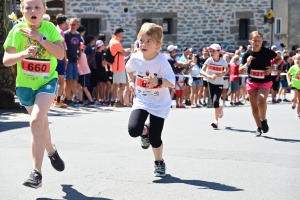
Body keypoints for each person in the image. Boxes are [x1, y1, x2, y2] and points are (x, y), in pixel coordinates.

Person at [3, 0, 65, 188]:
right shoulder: (16, 31)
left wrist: (41, 39)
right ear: (22, 11)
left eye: (37, 7)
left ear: (44, 10)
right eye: (28, 8)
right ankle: (51, 150)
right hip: (25, 86)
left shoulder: (50, 28)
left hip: (47, 82)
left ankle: (36, 174)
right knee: (41, 124)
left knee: (36, 121)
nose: (33, 11)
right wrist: (22, 54)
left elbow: (61, 54)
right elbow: (6, 60)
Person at [126, 23, 175, 177]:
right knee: (134, 130)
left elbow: (171, 82)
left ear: (158, 45)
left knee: (155, 138)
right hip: (141, 100)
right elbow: (129, 70)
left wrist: (158, 82)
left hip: (159, 104)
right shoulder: (135, 58)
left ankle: (159, 162)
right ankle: (144, 131)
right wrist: (129, 82)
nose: (144, 44)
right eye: (142, 40)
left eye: (149, 41)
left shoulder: (162, 62)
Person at [239, 31, 282, 137]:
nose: (257, 43)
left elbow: (279, 59)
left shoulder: (267, 52)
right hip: (252, 82)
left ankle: (263, 120)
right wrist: (247, 63)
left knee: (261, 101)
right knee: (254, 107)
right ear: (250, 41)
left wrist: (273, 67)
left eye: (259, 41)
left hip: (265, 81)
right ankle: (258, 127)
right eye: (255, 40)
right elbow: (240, 70)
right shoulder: (247, 54)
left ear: (262, 41)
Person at [200, 44, 229, 129]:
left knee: (216, 101)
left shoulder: (223, 62)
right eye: (210, 51)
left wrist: (222, 73)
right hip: (210, 82)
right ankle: (220, 107)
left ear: (219, 52)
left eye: (213, 51)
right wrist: (209, 76)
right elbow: (202, 71)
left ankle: (215, 121)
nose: (211, 53)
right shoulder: (209, 60)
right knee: (214, 102)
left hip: (219, 83)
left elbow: (227, 69)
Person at [109, 26, 131, 107]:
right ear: (118, 33)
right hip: (119, 66)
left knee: (115, 84)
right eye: (122, 32)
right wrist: (130, 50)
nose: (123, 34)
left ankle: (113, 100)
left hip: (115, 66)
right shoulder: (116, 43)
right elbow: (124, 53)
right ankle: (117, 101)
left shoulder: (112, 41)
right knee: (123, 84)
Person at [63, 18, 81, 106]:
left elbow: (79, 46)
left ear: (77, 25)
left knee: (74, 80)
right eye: (71, 24)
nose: (73, 26)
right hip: (68, 60)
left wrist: (79, 55)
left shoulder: (78, 35)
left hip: (74, 60)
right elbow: (63, 47)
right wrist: (65, 58)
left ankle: (73, 97)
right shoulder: (66, 34)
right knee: (68, 80)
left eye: (75, 24)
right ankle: (67, 98)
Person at [52, 13, 68, 108]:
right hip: (60, 59)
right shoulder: (61, 32)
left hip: (53, 57)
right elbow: (63, 46)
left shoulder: (53, 29)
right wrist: (65, 58)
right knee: (61, 80)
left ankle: (53, 99)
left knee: (54, 79)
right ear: (63, 22)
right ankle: (57, 100)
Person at [77, 42, 95, 107]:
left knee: (84, 88)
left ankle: (91, 101)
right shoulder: (83, 54)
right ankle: (80, 100)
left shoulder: (81, 55)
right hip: (83, 72)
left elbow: (77, 62)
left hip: (85, 73)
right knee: (78, 86)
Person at [287, 54, 300, 118]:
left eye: (299, 59)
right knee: (293, 98)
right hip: (294, 85)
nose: (298, 60)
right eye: (297, 59)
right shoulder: (293, 67)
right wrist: (289, 82)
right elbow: (288, 74)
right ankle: (294, 102)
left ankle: (298, 113)